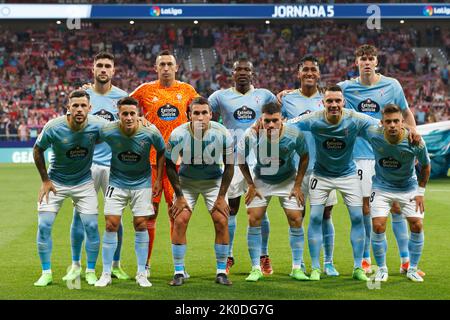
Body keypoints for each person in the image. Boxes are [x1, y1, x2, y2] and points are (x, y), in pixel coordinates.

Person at [337, 44, 422, 275]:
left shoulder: (392, 84)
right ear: (356, 62)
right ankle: (366, 260)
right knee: (368, 210)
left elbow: (405, 112)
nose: (366, 62)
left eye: (370, 58)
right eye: (362, 58)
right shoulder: (346, 88)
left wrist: (413, 134)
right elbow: (323, 95)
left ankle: (406, 261)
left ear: (377, 62)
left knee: (397, 208)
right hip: (362, 156)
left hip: (393, 153)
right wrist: (287, 94)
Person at [289, 85, 379, 282]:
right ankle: (315, 268)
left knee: (357, 217)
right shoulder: (313, 119)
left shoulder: (354, 118)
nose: (334, 105)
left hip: (348, 174)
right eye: (329, 101)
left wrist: (408, 131)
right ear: (323, 103)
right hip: (321, 175)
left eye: (337, 101)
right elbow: (289, 124)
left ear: (343, 102)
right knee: (314, 218)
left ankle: (358, 268)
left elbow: (381, 125)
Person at [130, 50, 199, 277]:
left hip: (178, 162)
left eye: (170, 64)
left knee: (177, 214)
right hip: (148, 162)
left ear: (176, 67)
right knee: (148, 214)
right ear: (156, 68)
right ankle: (145, 265)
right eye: (163, 64)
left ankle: (179, 266)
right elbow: (122, 105)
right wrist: (137, 117)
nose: (166, 68)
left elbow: (202, 112)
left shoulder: (187, 90)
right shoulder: (145, 90)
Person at [208, 57, 278, 275]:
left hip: (260, 161)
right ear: (232, 73)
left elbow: (278, 115)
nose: (243, 73)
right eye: (238, 69)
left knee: (259, 211)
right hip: (232, 161)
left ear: (253, 73)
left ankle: (263, 255)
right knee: (231, 209)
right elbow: (201, 113)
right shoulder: (220, 97)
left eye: (247, 69)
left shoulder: (265, 95)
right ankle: (228, 256)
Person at [65, 52, 130, 284]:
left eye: (108, 66)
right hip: (87, 164)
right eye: (99, 66)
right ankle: (75, 265)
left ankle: (116, 264)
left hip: (114, 166)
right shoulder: (83, 96)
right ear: (93, 69)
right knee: (80, 215)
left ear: (113, 71)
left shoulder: (123, 97)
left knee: (116, 217)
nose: (103, 69)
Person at [33, 90, 107, 286]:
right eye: (75, 106)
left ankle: (90, 270)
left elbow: (119, 130)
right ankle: (46, 272)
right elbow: (37, 149)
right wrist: (45, 180)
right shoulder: (54, 127)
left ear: (90, 109)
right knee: (44, 225)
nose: (79, 109)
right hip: (56, 182)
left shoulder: (98, 125)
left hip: (83, 182)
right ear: (68, 108)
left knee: (91, 226)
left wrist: (142, 122)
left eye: (83, 106)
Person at [94, 97, 165, 288]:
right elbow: (90, 137)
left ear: (138, 114)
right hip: (116, 182)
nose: (128, 117)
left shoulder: (149, 131)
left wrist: (158, 179)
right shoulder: (108, 130)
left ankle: (141, 273)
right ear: (119, 114)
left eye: (132, 113)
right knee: (111, 224)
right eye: (124, 113)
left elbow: (161, 151)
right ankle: (106, 273)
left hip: (142, 183)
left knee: (141, 224)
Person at [165, 97, 234, 286]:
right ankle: (178, 272)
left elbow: (229, 166)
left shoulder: (222, 133)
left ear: (211, 115)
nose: (201, 117)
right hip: (187, 182)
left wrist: (221, 197)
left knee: (221, 220)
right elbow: (170, 166)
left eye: (205, 113)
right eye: (196, 113)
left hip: (214, 182)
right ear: (189, 115)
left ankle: (221, 272)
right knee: (180, 220)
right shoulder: (178, 134)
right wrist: (179, 196)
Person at [280, 55, 339, 276]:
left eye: (313, 70)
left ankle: (328, 262)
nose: (309, 73)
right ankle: (299, 263)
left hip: (323, 167)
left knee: (325, 215)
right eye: (305, 69)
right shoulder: (287, 100)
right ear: (298, 73)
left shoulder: (327, 100)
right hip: (295, 168)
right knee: (297, 216)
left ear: (319, 73)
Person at [239, 102, 310, 282]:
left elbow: (304, 156)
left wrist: (297, 185)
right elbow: (240, 158)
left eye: (275, 121)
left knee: (296, 218)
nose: (271, 125)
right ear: (261, 120)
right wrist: (251, 185)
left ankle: (296, 267)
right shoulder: (251, 135)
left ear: (282, 120)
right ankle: (255, 268)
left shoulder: (294, 134)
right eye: (267, 121)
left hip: (287, 180)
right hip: (262, 180)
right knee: (253, 217)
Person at [366, 104, 430, 282]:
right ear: (382, 123)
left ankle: (412, 268)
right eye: (388, 122)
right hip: (381, 186)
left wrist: (420, 192)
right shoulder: (373, 133)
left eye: (396, 121)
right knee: (378, 226)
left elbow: (425, 165)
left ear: (402, 122)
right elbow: (358, 121)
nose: (392, 125)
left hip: (408, 187)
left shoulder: (415, 141)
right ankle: (382, 269)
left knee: (417, 225)